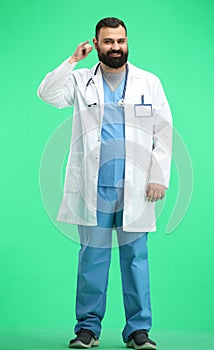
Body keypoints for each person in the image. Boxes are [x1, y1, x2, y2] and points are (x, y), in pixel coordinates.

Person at [37, 17, 172, 350]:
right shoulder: (81, 80)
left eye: (121, 41)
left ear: (127, 42)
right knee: (92, 259)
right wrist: (71, 61)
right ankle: (88, 329)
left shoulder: (148, 82)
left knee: (136, 260)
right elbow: (46, 94)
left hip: (136, 187)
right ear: (96, 44)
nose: (116, 47)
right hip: (93, 186)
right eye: (109, 41)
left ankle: (138, 330)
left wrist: (158, 176)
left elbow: (163, 131)